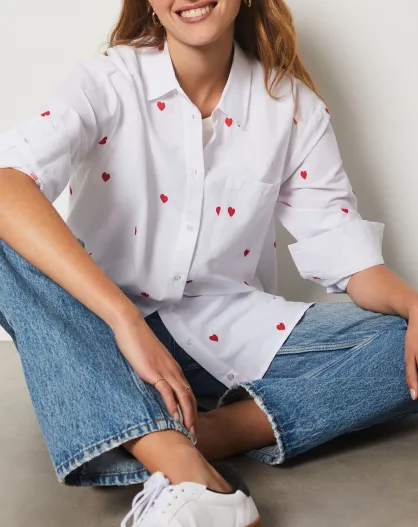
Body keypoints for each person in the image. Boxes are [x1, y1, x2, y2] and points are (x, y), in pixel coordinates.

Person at [1, 0, 418, 525]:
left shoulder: (292, 106)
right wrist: (124, 319)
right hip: (105, 338)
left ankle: (191, 434)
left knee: (404, 347)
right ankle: (190, 473)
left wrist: (414, 306)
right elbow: (7, 184)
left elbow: (347, 254)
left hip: (230, 332)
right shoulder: (108, 80)